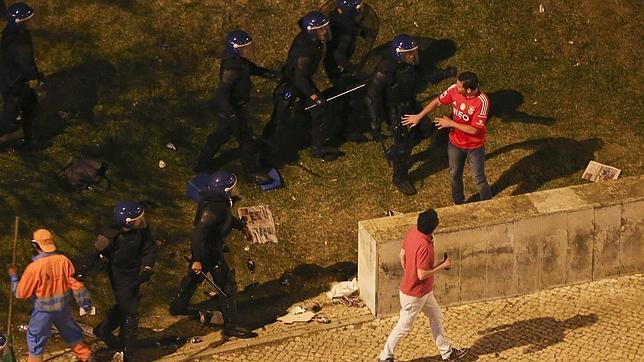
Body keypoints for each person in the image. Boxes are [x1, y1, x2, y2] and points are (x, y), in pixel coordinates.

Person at [169, 170, 257, 339]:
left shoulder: (217, 203)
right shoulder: (212, 211)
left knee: (193, 278)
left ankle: (178, 305)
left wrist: (241, 227)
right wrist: (197, 259)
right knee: (226, 287)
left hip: (209, 249)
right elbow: (198, 235)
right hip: (209, 251)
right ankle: (231, 326)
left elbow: (226, 220)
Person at [378, 209, 468, 362]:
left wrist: (408, 273)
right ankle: (385, 356)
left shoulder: (412, 233)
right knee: (404, 326)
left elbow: (402, 255)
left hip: (422, 292)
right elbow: (421, 274)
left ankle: (447, 353)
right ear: (433, 227)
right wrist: (442, 265)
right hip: (415, 294)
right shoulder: (425, 247)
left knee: (436, 316)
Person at [73, 201, 158, 361]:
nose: (141, 222)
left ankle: (104, 330)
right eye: (136, 220)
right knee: (131, 312)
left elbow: (149, 248)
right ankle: (127, 351)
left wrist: (147, 267)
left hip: (135, 272)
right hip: (120, 276)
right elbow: (92, 256)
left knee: (128, 304)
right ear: (126, 222)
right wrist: (81, 273)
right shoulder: (109, 237)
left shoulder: (140, 231)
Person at [194, 30, 277, 185]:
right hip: (231, 111)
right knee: (245, 140)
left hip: (236, 109)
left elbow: (253, 69)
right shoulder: (231, 69)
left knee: (221, 136)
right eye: (244, 48)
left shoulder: (241, 62)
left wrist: (273, 75)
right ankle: (251, 172)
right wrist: (232, 115)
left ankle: (201, 164)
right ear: (235, 49)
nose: (248, 50)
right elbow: (222, 94)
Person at [402, 71, 491, 204]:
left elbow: (474, 130)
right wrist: (419, 116)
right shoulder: (454, 90)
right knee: (454, 174)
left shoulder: (482, 102)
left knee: (478, 178)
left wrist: (450, 123)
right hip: (455, 143)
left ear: (468, 90)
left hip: (474, 146)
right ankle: (458, 202)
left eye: (459, 86)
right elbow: (437, 102)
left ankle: (488, 202)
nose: (455, 87)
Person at [7, 229, 93, 362]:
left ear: (35, 245)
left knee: (36, 341)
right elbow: (77, 284)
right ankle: (88, 358)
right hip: (62, 309)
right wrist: (85, 304)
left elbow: (20, 293)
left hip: (42, 312)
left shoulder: (34, 268)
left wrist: (13, 277)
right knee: (72, 335)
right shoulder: (64, 261)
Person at [366, 34, 426, 196]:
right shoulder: (386, 70)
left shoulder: (407, 65)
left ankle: (394, 152)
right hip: (397, 111)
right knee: (403, 148)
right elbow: (372, 96)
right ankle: (400, 178)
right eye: (409, 53)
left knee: (424, 130)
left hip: (410, 104)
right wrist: (375, 121)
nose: (413, 56)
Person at [283, 11, 343, 161]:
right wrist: (313, 95)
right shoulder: (305, 52)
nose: (324, 31)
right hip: (297, 82)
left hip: (301, 79)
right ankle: (318, 147)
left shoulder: (312, 42)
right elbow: (300, 78)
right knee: (320, 109)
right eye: (320, 29)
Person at [323, 0, 375, 143]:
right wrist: (354, 71)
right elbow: (339, 56)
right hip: (338, 70)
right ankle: (349, 130)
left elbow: (350, 25)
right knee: (352, 98)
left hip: (333, 65)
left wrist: (360, 30)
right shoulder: (344, 36)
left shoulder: (336, 18)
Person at [0, 2, 43, 146]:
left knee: (29, 107)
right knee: (11, 115)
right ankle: (29, 140)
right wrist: (35, 78)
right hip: (16, 83)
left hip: (10, 80)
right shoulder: (19, 41)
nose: (30, 22)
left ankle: (31, 141)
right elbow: (26, 65)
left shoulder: (10, 32)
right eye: (27, 19)